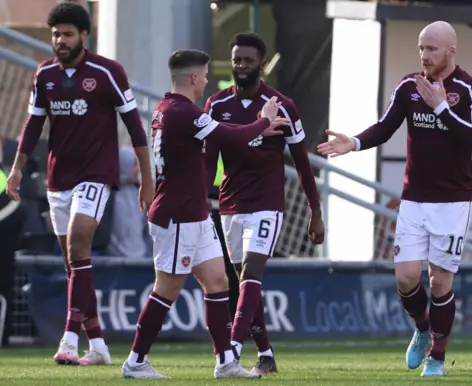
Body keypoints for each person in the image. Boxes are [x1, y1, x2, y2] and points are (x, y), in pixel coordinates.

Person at [317, 21, 472, 377]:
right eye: (421, 48)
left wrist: (441, 107)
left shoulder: (469, 90)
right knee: (406, 278)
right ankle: (423, 330)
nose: (425, 55)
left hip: (453, 201)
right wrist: (354, 143)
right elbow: (385, 126)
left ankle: (437, 358)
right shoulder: (409, 86)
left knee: (440, 282)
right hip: (414, 198)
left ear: (451, 51)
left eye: (432, 49)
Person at [121, 49, 289, 380]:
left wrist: (256, 128)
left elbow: (224, 134)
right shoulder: (183, 112)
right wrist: (264, 120)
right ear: (195, 78)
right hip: (178, 215)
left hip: (195, 214)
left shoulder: (170, 109)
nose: (209, 79)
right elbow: (229, 136)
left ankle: (226, 361)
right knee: (166, 289)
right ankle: (136, 361)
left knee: (218, 282)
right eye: (207, 74)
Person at [5, 2, 154, 366]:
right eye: (56, 34)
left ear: (84, 36)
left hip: (96, 175)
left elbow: (136, 127)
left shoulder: (107, 72)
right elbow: (32, 127)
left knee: (78, 246)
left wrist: (147, 179)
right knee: (74, 263)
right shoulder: (44, 75)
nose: (60, 40)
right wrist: (17, 169)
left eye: (67, 34)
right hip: (60, 178)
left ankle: (69, 339)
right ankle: (99, 344)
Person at [204, 32, 325, 374]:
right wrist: (200, 197)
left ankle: (231, 353)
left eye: (248, 60)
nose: (242, 66)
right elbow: (209, 158)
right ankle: (267, 354)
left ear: (261, 64)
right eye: (237, 59)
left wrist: (315, 211)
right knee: (244, 282)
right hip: (230, 204)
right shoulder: (216, 105)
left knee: (252, 275)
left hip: (267, 203)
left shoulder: (283, 104)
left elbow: (302, 162)